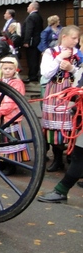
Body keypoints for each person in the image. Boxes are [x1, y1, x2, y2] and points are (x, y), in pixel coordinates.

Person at [40, 25, 82, 172]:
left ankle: (72, 156)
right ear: (64, 37)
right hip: (55, 90)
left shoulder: (79, 53)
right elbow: (46, 73)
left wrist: (72, 69)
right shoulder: (51, 52)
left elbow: (81, 73)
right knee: (54, 125)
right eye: (73, 38)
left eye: (77, 38)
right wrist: (59, 58)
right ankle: (57, 159)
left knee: (73, 122)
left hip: (73, 91)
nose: (76, 41)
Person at [0, 57, 28, 176]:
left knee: (9, 140)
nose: (7, 71)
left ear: (15, 70)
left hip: (10, 117)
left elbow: (11, 102)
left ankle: (11, 165)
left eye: (10, 68)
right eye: (5, 68)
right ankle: (0, 162)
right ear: (1, 69)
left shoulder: (17, 83)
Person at [22, 1, 44, 82]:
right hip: (37, 41)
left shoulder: (31, 17)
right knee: (36, 59)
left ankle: (32, 76)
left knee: (31, 59)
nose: (27, 8)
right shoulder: (39, 16)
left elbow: (29, 29)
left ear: (32, 8)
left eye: (28, 6)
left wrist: (26, 41)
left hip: (31, 42)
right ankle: (35, 75)